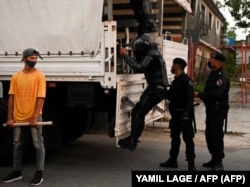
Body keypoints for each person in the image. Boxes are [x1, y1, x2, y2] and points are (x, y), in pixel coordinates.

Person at [1, 48, 46, 185]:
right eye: (32, 58)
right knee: (17, 144)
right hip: (17, 116)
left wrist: (35, 116)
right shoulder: (16, 77)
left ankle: (39, 173)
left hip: (33, 117)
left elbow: (41, 97)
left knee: (38, 144)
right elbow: (11, 98)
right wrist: (10, 117)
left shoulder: (39, 76)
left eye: (36, 59)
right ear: (25, 58)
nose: (34, 61)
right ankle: (16, 171)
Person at [118, 33, 168, 151]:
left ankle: (132, 141)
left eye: (140, 47)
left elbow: (139, 67)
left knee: (138, 112)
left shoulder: (152, 55)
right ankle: (133, 138)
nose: (139, 49)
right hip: (155, 88)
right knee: (138, 111)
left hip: (156, 89)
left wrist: (125, 55)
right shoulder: (154, 53)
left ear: (145, 46)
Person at [194, 51, 230, 171]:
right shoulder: (214, 73)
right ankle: (214, 159)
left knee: (216, 136)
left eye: (212, 60)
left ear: (218, 62)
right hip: (212, 109)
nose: (210, 61)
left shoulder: (222, 75)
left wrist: (200, 94)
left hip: (218, 110)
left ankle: (219, 162)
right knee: (209, 135)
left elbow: (215, 93)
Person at [159, 58, 196, 171]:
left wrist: (186, 114)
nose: (172, 67)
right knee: (174, 138)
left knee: (188, 140)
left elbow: (190, 99)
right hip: (175, 116)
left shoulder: (186, 80)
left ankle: (191, 164)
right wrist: (162, 89)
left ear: (177, 66)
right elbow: (170, 96)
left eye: (173, 65)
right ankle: (172, 160)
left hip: (184, 116)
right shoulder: (176, 81)